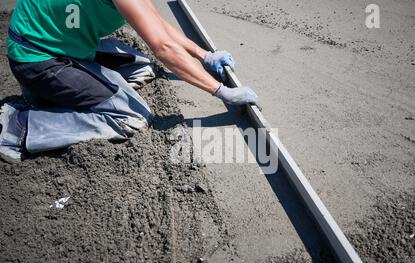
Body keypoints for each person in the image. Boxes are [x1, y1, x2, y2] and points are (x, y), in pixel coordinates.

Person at [0, 0, 258, 163]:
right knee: (130, 117)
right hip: (38, 58)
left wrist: (205, 55)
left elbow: (156, 23)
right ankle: (19, 125)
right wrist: (221, 90)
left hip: (63, 41)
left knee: (141, 68)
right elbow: (164, 48)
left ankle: (61, 93)